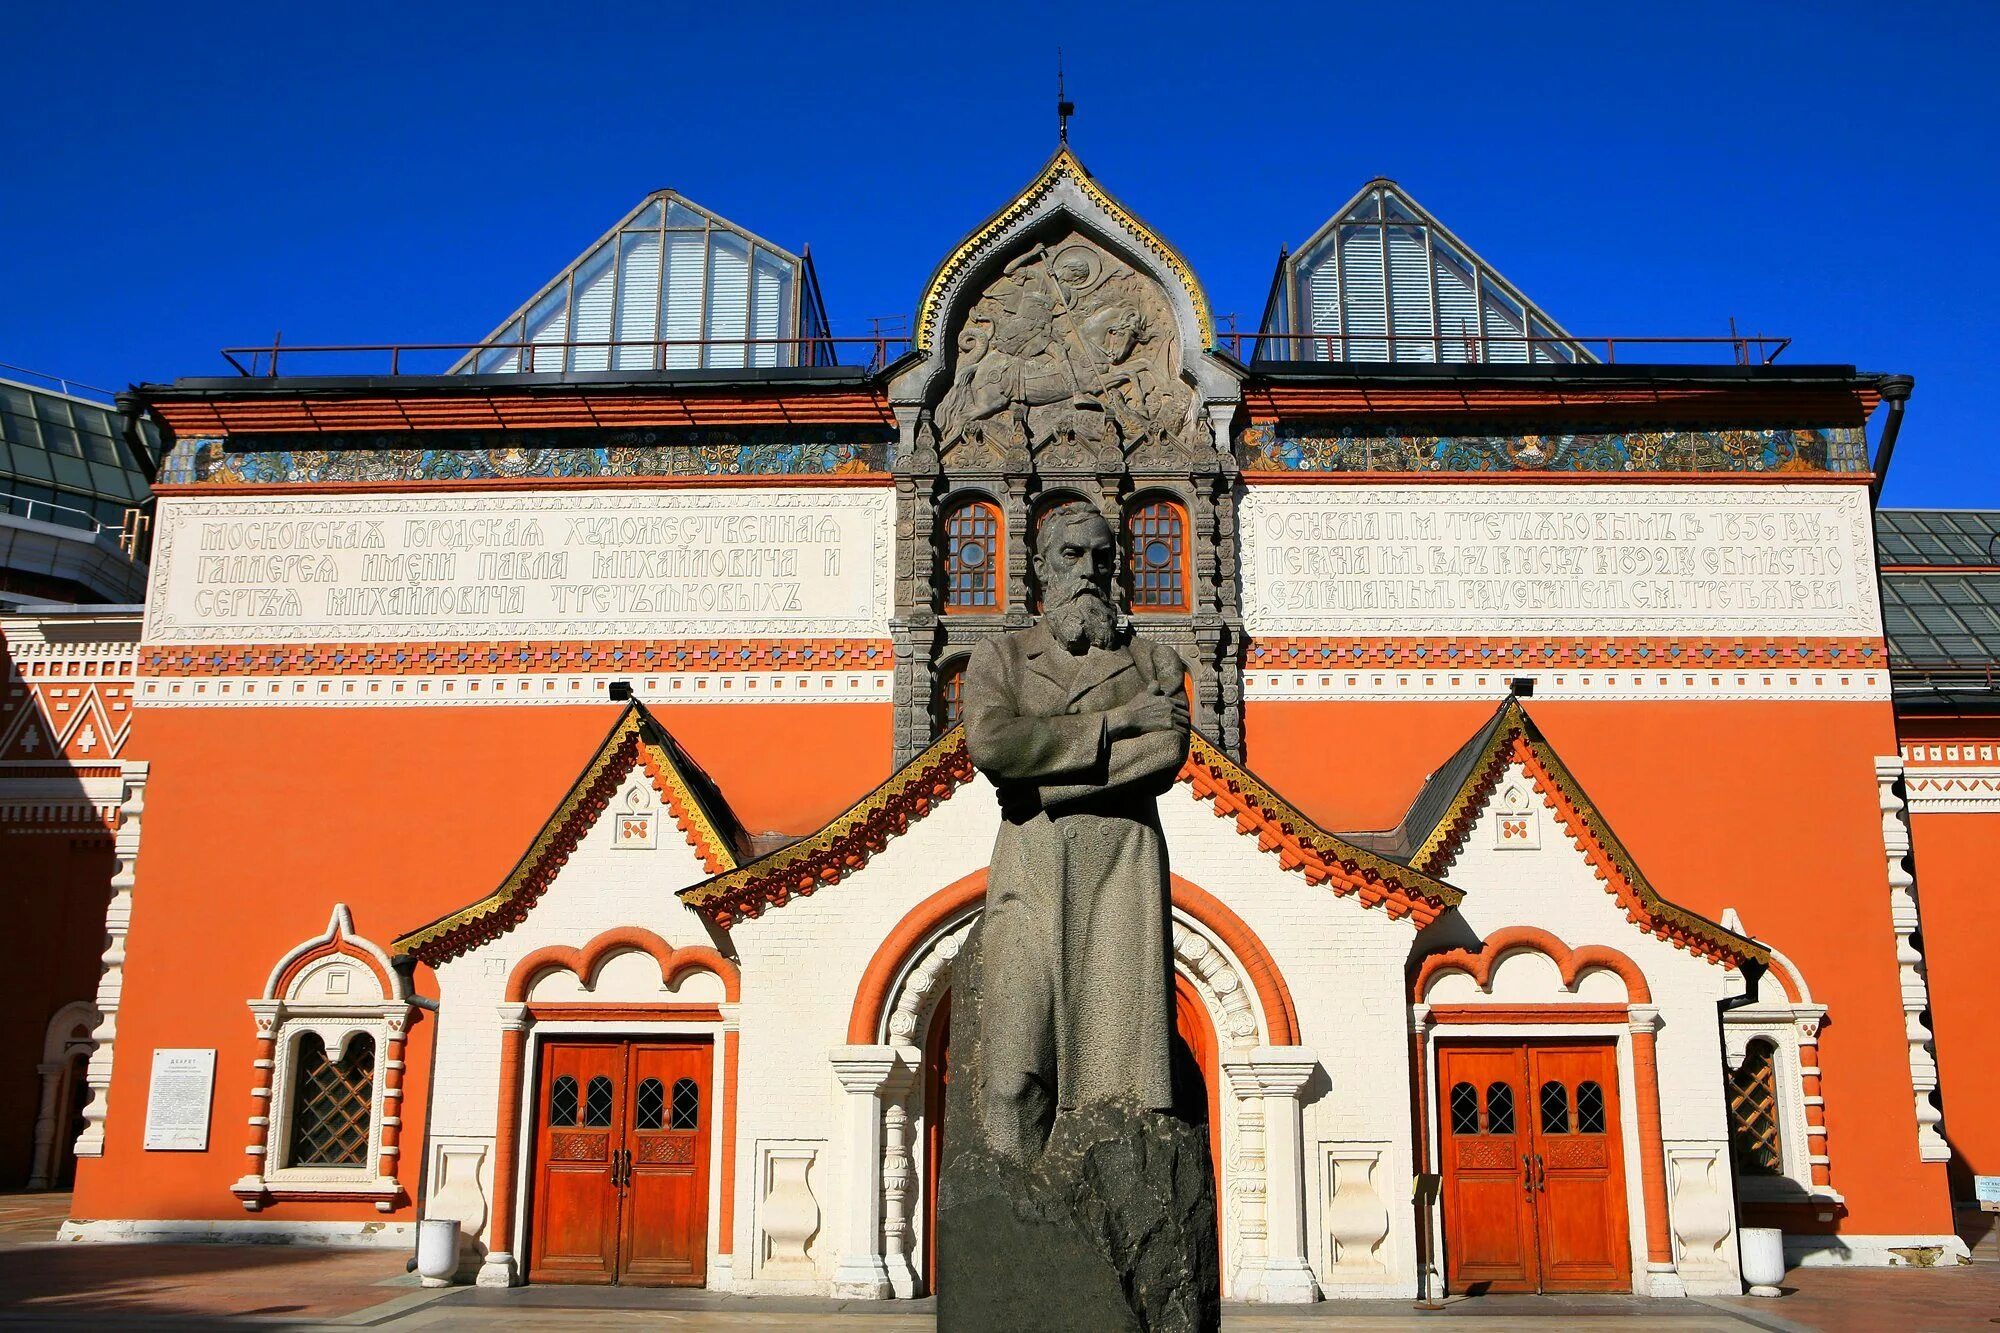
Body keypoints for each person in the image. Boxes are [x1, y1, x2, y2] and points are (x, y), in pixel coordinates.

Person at [961, 502, 1192, 1159]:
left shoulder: (1152, 659)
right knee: (1010, 1073)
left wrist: (1042, 782)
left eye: (1102, 558)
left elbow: (1167, 751)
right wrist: (1119, 724)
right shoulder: (1000, 657)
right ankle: (1015, 1233)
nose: (1089, 571)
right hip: (1029, 869)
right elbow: (993, 743)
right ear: (1040, 567)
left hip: (1119, 874)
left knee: (1119, 1089)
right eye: (1072, 555)